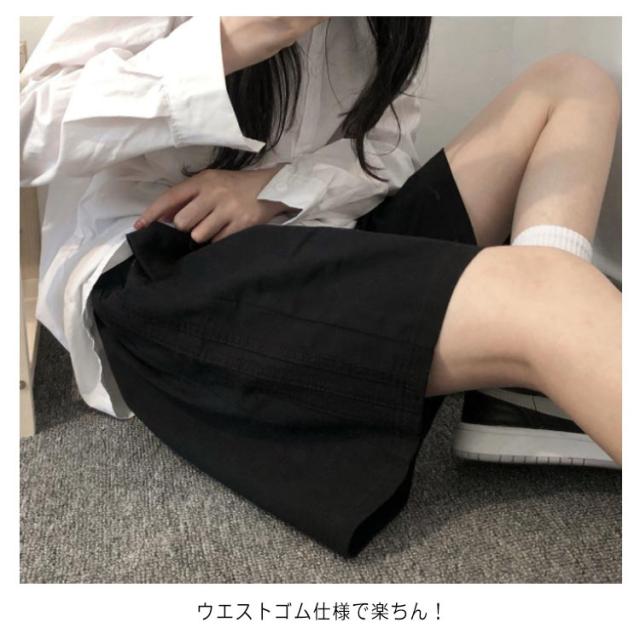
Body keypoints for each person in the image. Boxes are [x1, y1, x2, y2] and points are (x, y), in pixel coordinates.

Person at [20, 16, 621, 558]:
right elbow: (23, 129)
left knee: (572, 85)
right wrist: (233, 38)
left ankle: (524, 387)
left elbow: (384, 153)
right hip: (170, 270)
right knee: (542, 295)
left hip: (317, 228)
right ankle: (547, 341)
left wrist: (273, 188)